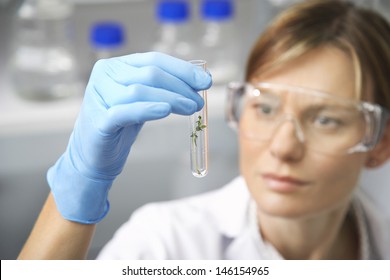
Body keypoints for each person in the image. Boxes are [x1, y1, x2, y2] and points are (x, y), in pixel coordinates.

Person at [18, 0, 390, 260]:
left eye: (325, 119)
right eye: (265, 107)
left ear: (380, 144)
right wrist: (77, 188)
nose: (283, 147)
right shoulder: (165, 245)